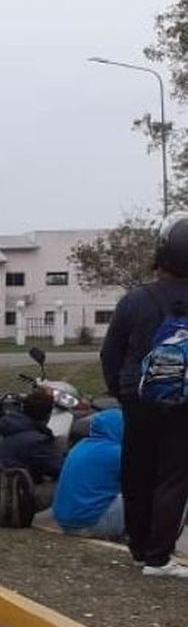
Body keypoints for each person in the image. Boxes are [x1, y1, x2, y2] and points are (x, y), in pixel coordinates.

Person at [101, 213, 188, 578]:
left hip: (138, 398)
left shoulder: (135, 300)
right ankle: (158, 557)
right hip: (184, 402)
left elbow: (110, 353)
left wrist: (121, 393)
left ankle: (138, 549)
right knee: (173, 476)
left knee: (136, 470)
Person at [50, 408, 126, 540]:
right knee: (142, 496)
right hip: (90, 525)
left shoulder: (80, 446)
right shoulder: (116, 452)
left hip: (65, 523)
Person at [0, 390, 63, 510]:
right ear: (48, 415)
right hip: (9, 502)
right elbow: (59, 467)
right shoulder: (38, 441)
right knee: (67, 479)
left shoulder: (12, 428)